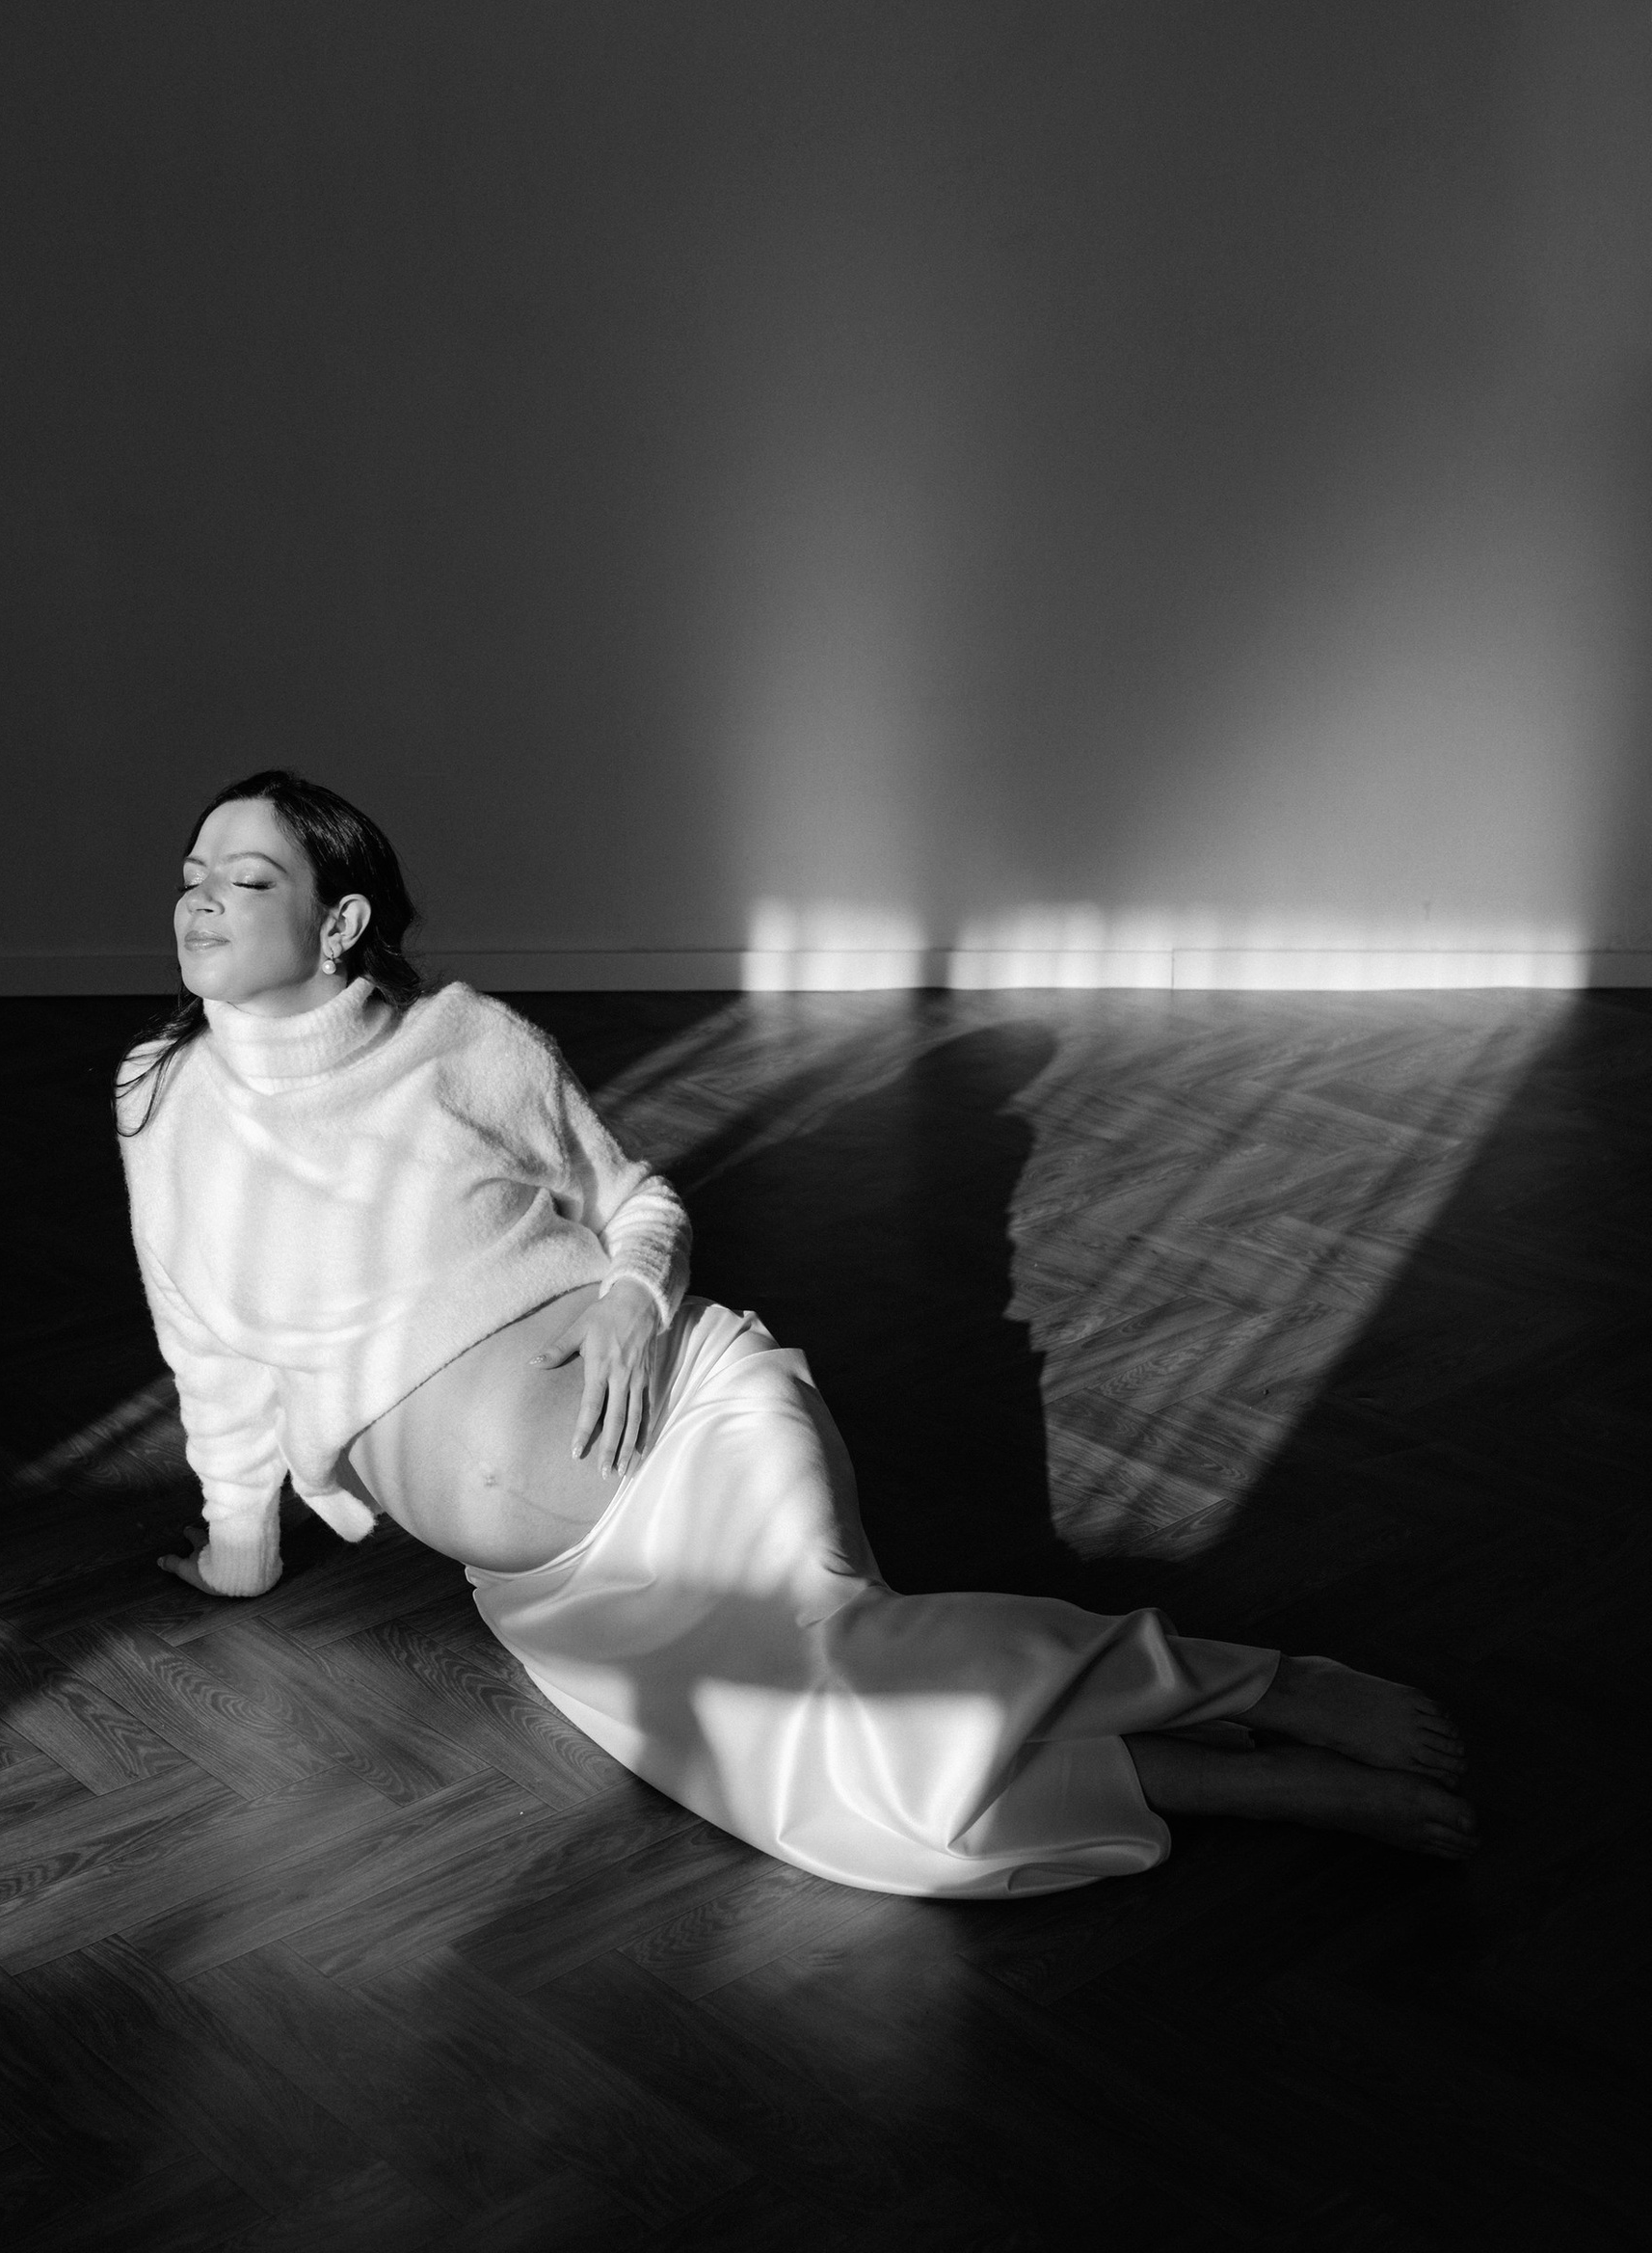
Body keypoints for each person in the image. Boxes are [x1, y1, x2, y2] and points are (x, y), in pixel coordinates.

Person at [120, 768, 1475, 1898]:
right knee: (860, 1825)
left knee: (854, 1666)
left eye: (246, 877)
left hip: (691, 1432)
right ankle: (1244, 1782)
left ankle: (1265, 1688)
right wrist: (242, 1548)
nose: (200, 899)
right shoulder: (163, 1100)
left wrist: (633, 1299)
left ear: (342, 919)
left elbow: (638, 1205)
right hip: (560, 1596)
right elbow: (202, 1341)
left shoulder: (465, 1042)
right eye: (192, 876)